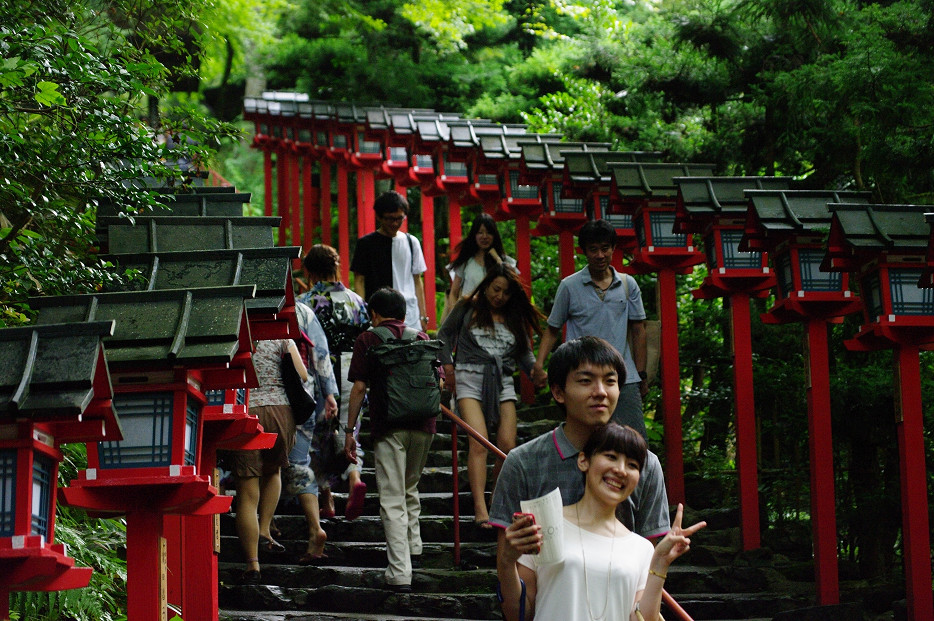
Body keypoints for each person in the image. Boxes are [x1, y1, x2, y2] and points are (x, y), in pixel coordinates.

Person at [498, 423, 706, 621]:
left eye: (632, 465)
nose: (621, 470)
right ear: (583, 461)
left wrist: (660, 562)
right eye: (611, 457)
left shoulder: (641, 548)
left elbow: (642, 618)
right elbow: (519, 614)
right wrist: (506, 564)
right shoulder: (546, 526)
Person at [489, 337, 670, 560]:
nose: (601, 392)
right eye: (586, 381)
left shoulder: (643, 464)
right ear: (558, 392)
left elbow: (649, 561)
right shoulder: (522, 463)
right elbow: (506, 559)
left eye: (610, 381)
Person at [343, 287, 437, 592]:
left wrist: (349, 430)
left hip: (388, 427)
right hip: (424, 425)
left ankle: (399, 573)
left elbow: (359, 388)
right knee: (410, 487)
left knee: (393, 497)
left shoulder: (368, 339)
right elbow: (438, 381)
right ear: (404, 314)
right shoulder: (421, 338)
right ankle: (415, 549)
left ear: (374, 314)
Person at [438, 263, 543, 526]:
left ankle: (497, 500)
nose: (500, 296)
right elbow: (444, 334)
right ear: (486, 287)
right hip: (468, 378)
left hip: (502, 381)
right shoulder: (467, 307)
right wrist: (447, 367)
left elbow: (524, 353)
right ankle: (480, 507)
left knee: (507, 445)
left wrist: (535, 371)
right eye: (496, 289)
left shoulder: (514, 317)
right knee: (479, 441)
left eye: (506, 292)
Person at [532, 219, 650, 440]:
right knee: (586, 438)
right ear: (584, 251)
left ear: (613, 249)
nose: (600, 255)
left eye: (605, 248)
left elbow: (638, 330)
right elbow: (552, 329)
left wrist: (641, 373)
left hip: (623, 377)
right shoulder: (569, 286)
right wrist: (539, 365)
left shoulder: (627, 284)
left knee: (635, 439)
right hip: (582, 376)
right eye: (593, 250)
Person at [297, 244, 371, 520]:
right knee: (349, 431)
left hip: (321, 373)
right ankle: (354, 480)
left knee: (317, 437)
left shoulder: (305, 302)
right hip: (352, 370)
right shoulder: (357, 301)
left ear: (310, 271)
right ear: (336, 266)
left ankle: (326, 498)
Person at [231, 337, 308, 582]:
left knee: (247, 487)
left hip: (245, 411)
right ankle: (265, 528)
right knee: (273, 471)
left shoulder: (235, 334)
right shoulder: (281, 337)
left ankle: (252, 563)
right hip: (279, 410)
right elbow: (302, 375)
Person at [283, 301, 339, 564]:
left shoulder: (247, 304)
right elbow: (320, 353)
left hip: (257, 393)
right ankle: (314, 528)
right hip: (300, 394)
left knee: (260, 464)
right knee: (298, 461)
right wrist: (328, 393)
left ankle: (266, 527)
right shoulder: (301, 311)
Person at [350, 190, 429, 331]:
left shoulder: (412, 242)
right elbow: (359, 280)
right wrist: (362, 314)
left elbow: (417, 280)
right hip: (378, 316)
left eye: (400, 218)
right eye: (390, 219)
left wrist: (423, 316)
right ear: (379, 217)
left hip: (409, 315)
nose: (395, 223)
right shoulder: (366, 244)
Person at [447, 213, 517, 302]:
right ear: (474, 235)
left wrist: (498, 260)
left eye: (488, 233)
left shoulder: (505, 262)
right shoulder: (466, 261)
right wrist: (456, 313)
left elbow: (514, 290)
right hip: (469, 312)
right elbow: (453, 293)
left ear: (494, 235)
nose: (484, 237)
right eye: (480, 232)